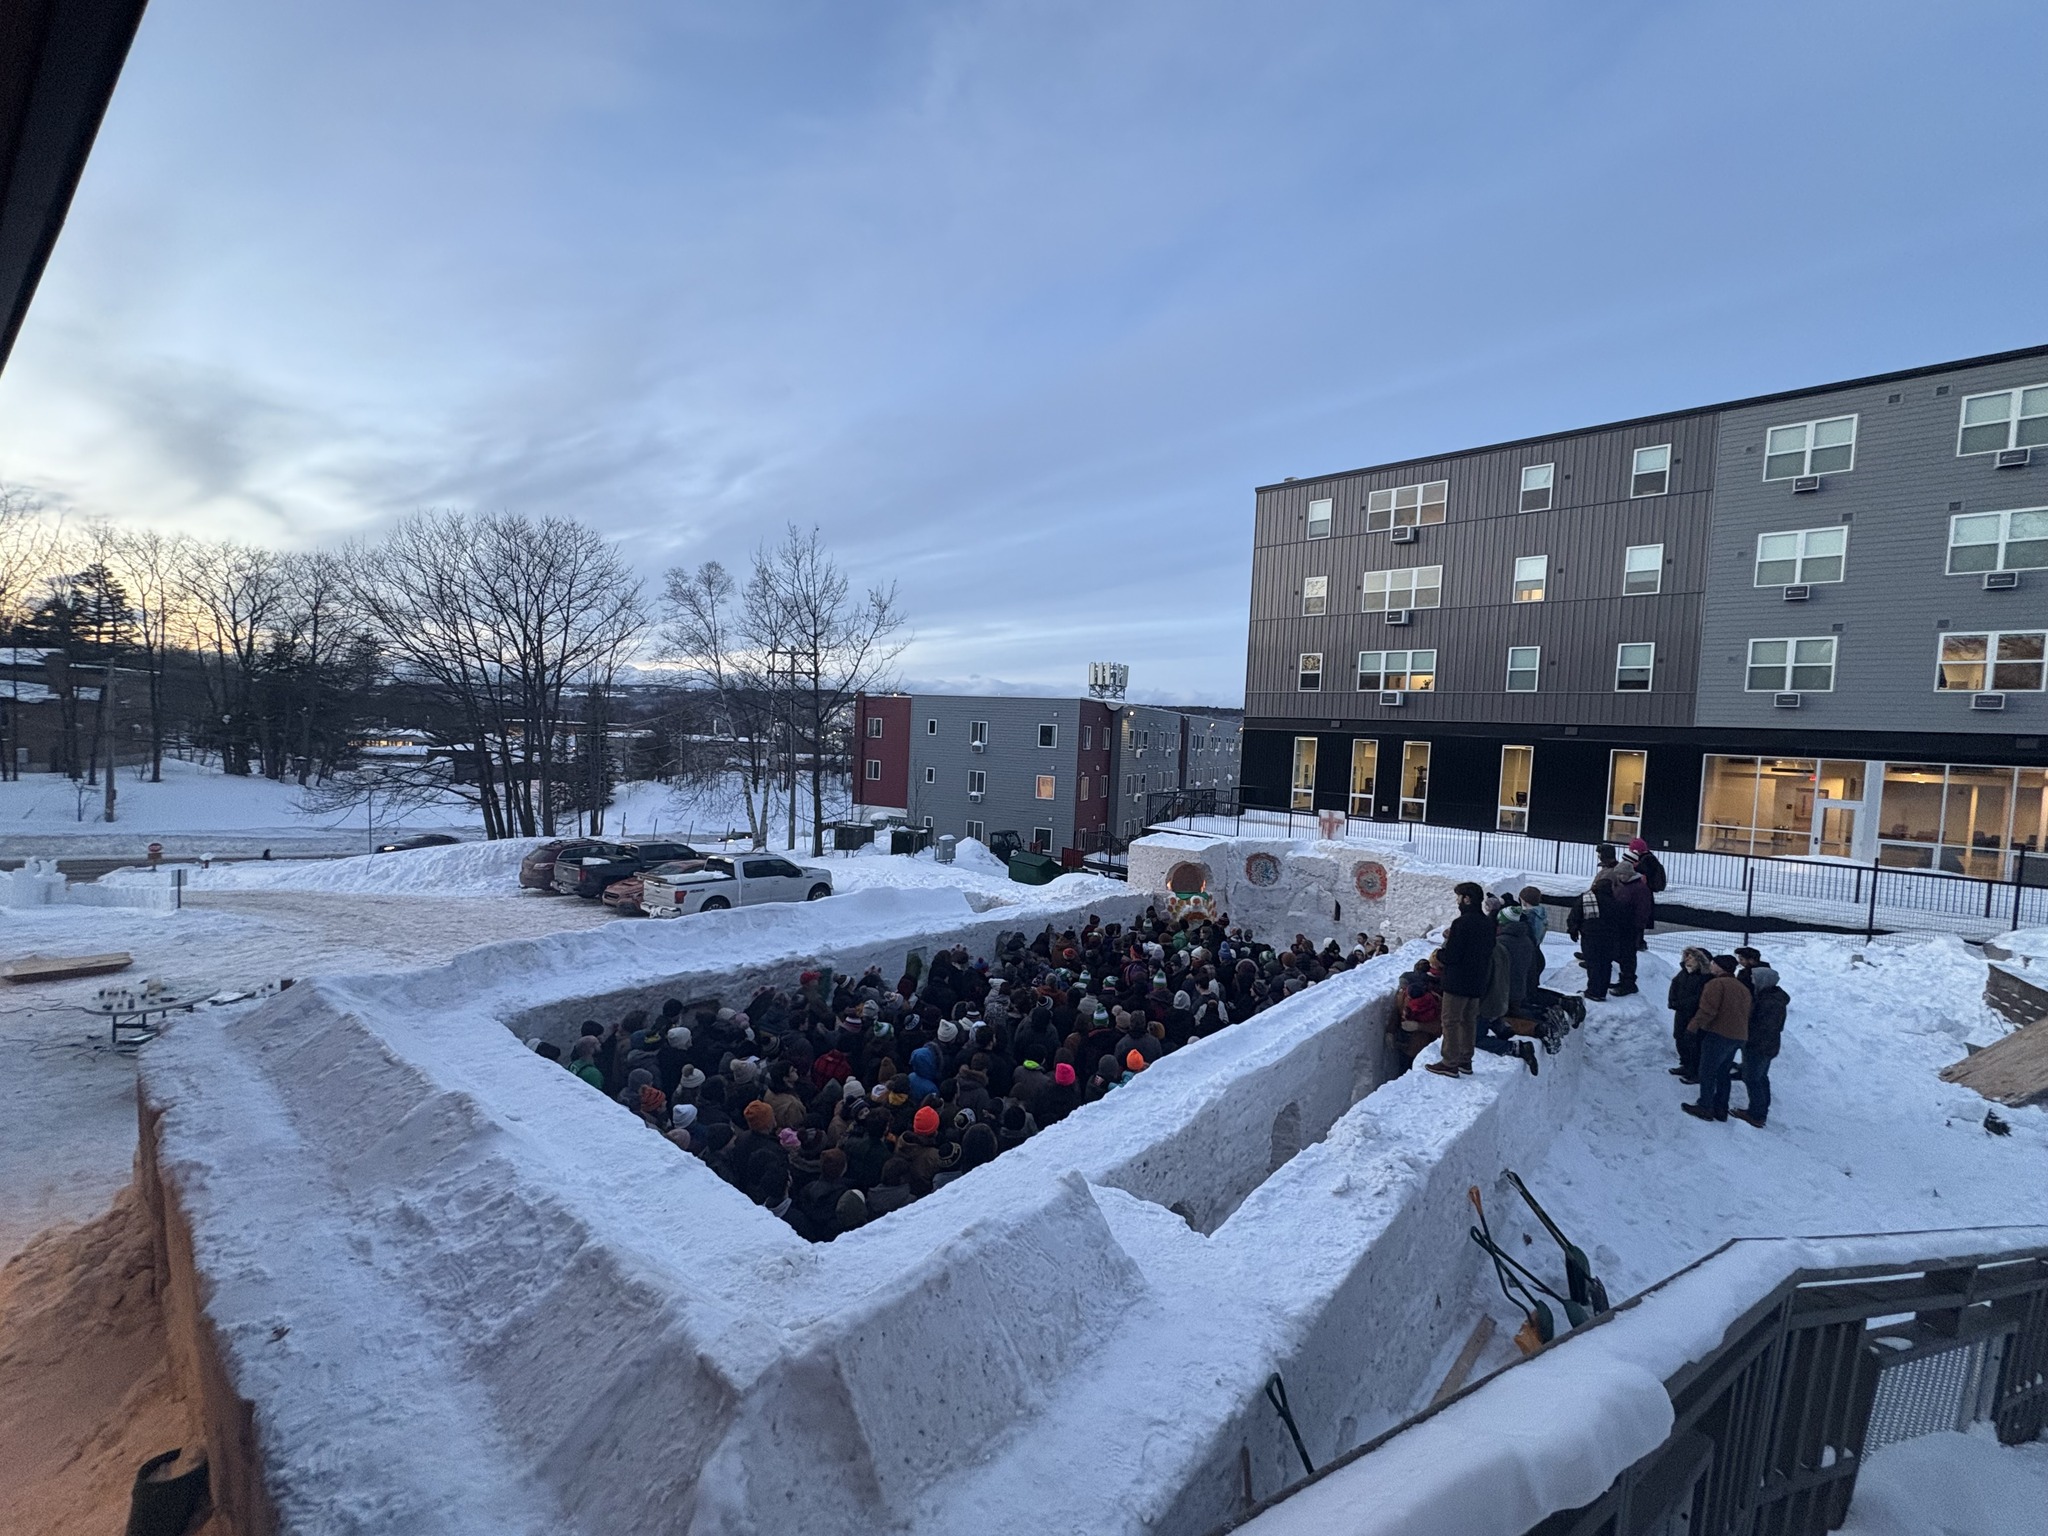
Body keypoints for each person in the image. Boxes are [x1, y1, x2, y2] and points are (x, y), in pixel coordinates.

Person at [1428, 882, 1494, 1079]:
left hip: (1457, 981)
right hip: (1477, 981)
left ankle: (1449, 1062)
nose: (1457, 901)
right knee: (1468, 1021)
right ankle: (1466, 1059)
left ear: (1467, 899)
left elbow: (1453, 955)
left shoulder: (1462, 923)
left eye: (1459, 897)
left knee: (1450, 1021)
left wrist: (1440, 955)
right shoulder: (1487, 923)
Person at [1682, 956, 1751, 1123]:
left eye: (1714, 963)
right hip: (1738, 1035)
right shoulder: (1743, 988)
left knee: (1707, 1071)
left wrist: (1692, 1027)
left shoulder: (1715, 984)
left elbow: (1708, 1010)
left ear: (1720, 968)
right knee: (1723, 1072)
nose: (1711, 966)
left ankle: (1705, 1107)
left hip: (1719, 1034)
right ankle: (1721, 1109)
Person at [1732, 963, 1788, 1128]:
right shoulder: (1773, 997)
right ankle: (1761, 1110)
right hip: (1768, 1045)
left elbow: (1762, 1026)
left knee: (1753, 1079)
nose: (1752, 981)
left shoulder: (1768, 1002)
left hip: (1758, 1046)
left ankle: (1756, 1114)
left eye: (1755, 979)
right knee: (1761, 1077)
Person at [1666, 947, 1712, 1083]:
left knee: (1694, 1042)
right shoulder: (1684, 972)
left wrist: (1682, 1003)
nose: (1687, 959)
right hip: (1681, 1012)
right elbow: (1674, 986)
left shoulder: (1705, 977)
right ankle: (1685, 1064)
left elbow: (1700, 997)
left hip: (1694, 1014)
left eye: (1691, 957)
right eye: (1686, 956)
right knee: (1679, 1037)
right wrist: (1673, 1001)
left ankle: (1695, 1070)